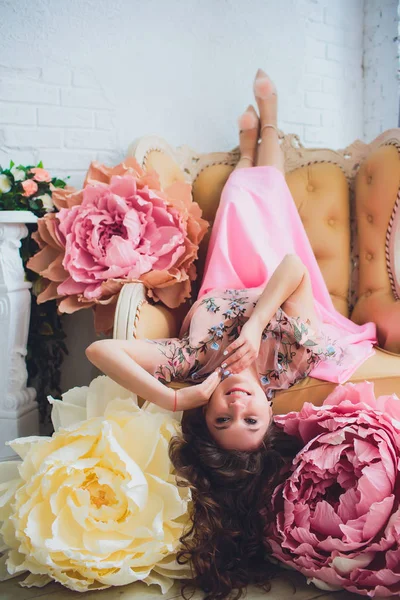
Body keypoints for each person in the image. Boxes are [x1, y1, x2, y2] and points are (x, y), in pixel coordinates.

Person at [85, 69, 377, 599]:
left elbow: (98, 348)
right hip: (273, 280)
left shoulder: (188, 362)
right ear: (271, 412)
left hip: (225, 271)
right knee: (267, 208)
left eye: (223, 418)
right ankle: (269, 126)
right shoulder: (287, 363)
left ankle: (251, 149)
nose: (238, 403)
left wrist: (176, 397)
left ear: (205, 413)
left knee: (242, 200)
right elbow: (290, 266)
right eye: (251, 418)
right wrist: (261, 321)